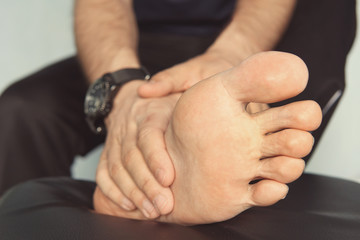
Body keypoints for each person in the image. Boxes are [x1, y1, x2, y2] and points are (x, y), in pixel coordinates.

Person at [0, 0, 355, 223]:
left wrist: (228, 57)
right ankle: (171, 175)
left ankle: (188, 167)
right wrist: (123, 94)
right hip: (141, 43)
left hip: (250, 45)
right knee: (20, 112)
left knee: (324, 12)